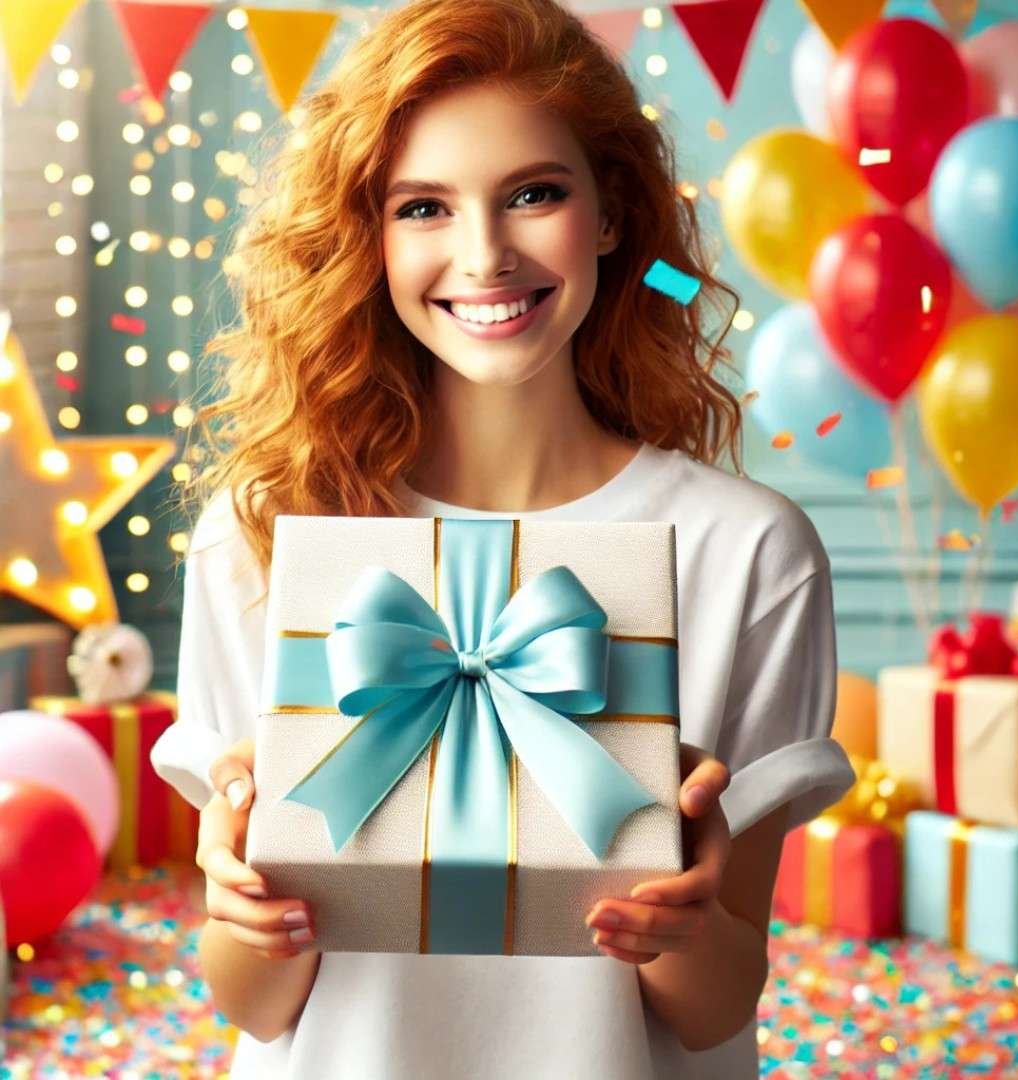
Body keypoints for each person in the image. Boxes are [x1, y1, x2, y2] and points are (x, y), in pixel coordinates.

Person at [150, 0, 856, 1075]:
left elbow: (717, 1009)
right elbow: (254, 1009)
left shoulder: (746, 553)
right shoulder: (258, 540)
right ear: (366, 237)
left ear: (613, 212)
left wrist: (683, 925)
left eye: (534, 194)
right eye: (422, 208)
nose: (484, 255)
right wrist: (245, 908)